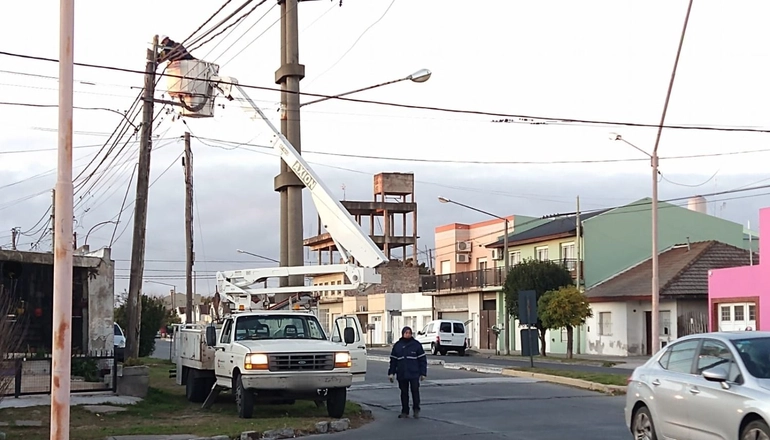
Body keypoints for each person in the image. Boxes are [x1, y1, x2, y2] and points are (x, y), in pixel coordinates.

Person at [388, 326, 427, 418]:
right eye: (406, 333)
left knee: (415, 391)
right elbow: (393, 361)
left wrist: (423, 373)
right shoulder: (397, 346)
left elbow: (422, 360)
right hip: (402, 373)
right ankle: (405, 411)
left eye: (409, 333)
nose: (408, 334)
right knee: (404, 392)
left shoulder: (416, 345)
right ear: (403, 334)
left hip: (414, 373)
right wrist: (391, 373)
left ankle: (416, 409)